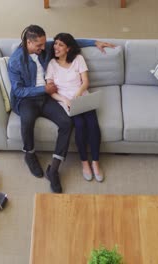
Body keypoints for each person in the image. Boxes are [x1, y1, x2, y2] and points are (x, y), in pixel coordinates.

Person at [8, 25, 113, 193]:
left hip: (47, 97)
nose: (45, 48)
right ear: (29, 42)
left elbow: (71, 42)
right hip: (27, 99)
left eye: (44, 44)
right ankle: (29, 154)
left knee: (66, 123)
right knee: (27, 120)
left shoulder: (45, 47)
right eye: (39, 46)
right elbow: (18, 90)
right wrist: (43, 89)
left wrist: (94, 42)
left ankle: (54, 170)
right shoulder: (15, 61)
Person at [45, 33, 104, 182]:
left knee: (93, 125)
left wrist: (78, 94)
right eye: (56, 43)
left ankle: (95, 162)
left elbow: (85, 82)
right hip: (67, 102)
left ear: (68, 48)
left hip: (82, 97)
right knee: (80, 125)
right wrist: (65, 100)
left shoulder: (78, 59)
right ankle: (84, 163)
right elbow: (51, 92)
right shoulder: (51, 64)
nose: (56, 47)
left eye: (60, 45)